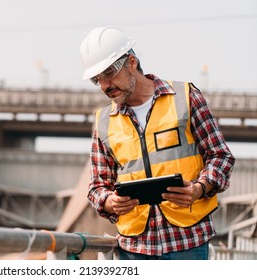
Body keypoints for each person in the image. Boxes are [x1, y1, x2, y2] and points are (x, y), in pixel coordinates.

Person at [80, 26, 235, 260]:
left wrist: (198, 189)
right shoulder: (104, 121)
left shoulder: (186, 97)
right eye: (97, 79)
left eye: (108, 74)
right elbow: (96, 187)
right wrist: (109, 202)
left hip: (188, 242)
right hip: (135, 249)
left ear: (131, 62)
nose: (104, 86)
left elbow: (220, 156)